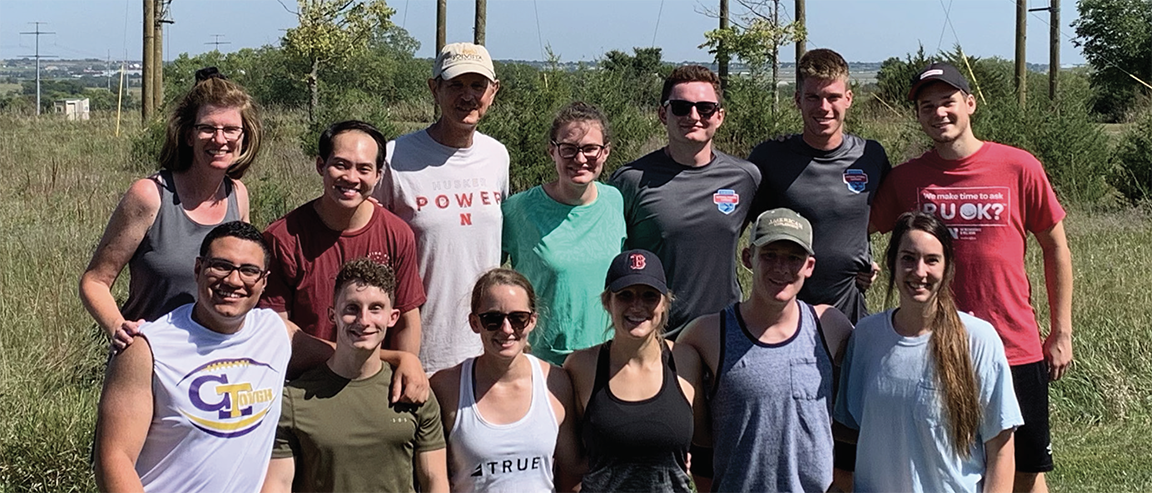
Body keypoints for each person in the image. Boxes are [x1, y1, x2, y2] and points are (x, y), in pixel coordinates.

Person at [870, 62, 1073, 493]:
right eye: (927, 106)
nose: (939, 113)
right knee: (952, 467)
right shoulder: (907, 179)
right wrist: (859, 264)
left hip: (1013, 344)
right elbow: (856, 228)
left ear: (970, 104)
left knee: (1024, 471)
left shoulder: (1019, 166)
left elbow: (1055, 247)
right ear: (919, 116)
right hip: (935, 347)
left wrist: (1061, 331)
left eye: (947, 102)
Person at [93, 221, 330, 493]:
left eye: (249, 271)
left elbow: (344, 360)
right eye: (221, 266)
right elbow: (114, 459)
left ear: (264, 282)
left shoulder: (276, 334)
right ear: (198, 269)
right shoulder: (148, 347)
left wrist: (392, 359)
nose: (233, 280)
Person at [835, 212, 1022, 492]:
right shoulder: (865, 336)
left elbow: (1002, 450)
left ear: (947, 268)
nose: (919, 271)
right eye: (908, 258)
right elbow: (848, 436)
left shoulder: (979, 340)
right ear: (891, 264)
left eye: (931, 260)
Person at [80, 67, 259, 350]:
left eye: (231, 129)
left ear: (244, 136)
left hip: (215, 355)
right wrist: (117, 326)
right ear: (189, 135)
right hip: (150, 356)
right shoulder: (150, 196)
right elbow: (94, 281)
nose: (220, 139)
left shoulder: (238, 194)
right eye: (208, 128)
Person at [678, 208, 854, 493]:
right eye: (770, 255)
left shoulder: (830, 326)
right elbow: (693, 433)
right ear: (749, 258)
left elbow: (856, 415)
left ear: (809, 266)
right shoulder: (708, 335)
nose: (781, 268)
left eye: (793, 258)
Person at [372, 42, 510, 373]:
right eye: (456, 85)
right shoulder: (396, 157)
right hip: (418, 350)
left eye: (478, 85)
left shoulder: (497, 156)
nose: (468, 96)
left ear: (493, 91)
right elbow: (374, 248)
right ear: (435, 89)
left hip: (486, 347)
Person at [263, 259, 449, 493]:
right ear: (333, 314)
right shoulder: (292, 400)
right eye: (352, 308)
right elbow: (277, 485)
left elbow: (435, 481)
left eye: (375, 308)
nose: (364, 320)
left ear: (392, 317)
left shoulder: (411, 392)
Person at [610, 65, 760, 337]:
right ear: (662, 113)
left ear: (720, 116)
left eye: (705, 108)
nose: (694, 116)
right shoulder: (630, 180)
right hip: (655, 338)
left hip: (725, 336)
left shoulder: (745, 177)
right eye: (680, 107)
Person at [746, 48, 890, 324]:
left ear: (848, 98)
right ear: (797, 100)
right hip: (782, 319)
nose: (823, 107)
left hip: (850, 317)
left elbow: (887, 219)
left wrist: (869, 260)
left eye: (833, 97)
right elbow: (733, 229)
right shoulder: (769, 158)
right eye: (813, 97)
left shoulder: (871, 156)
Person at [261, 120, 425, 351]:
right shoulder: (283, 237)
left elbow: (407, 318)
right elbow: (276, 328)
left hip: (375, 376)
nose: (351, 177)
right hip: (306, 376)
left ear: (378, 175)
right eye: (340, 165)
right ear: (320, 165)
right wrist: (343, 359)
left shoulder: (397, 234)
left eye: (363, 169)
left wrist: (405, 364)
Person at [563, 249, 704, 492]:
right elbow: (570, 465)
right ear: (608, 302)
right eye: (625, 296)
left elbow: (703, 443)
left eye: (649, 296)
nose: (637, 306)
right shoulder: (581, 367)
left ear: (665, 303)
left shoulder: (686, 361)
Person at [429, 269, 581, 493]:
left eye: (518, 318)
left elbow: (572, 471)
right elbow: (432, 476)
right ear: (474, 322)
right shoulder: (446, 387)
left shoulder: (556, 382)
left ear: (532, 321)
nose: (506, 329)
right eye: (492, 319)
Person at [501, 102, 626, 365]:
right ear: (552, 151)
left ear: (606, 152)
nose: (580, 159)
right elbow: (490, 276)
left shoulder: (615, 201)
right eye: (569, 149)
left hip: (606, 356)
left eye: (591, 149)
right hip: (541, 360)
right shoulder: (518, 209)